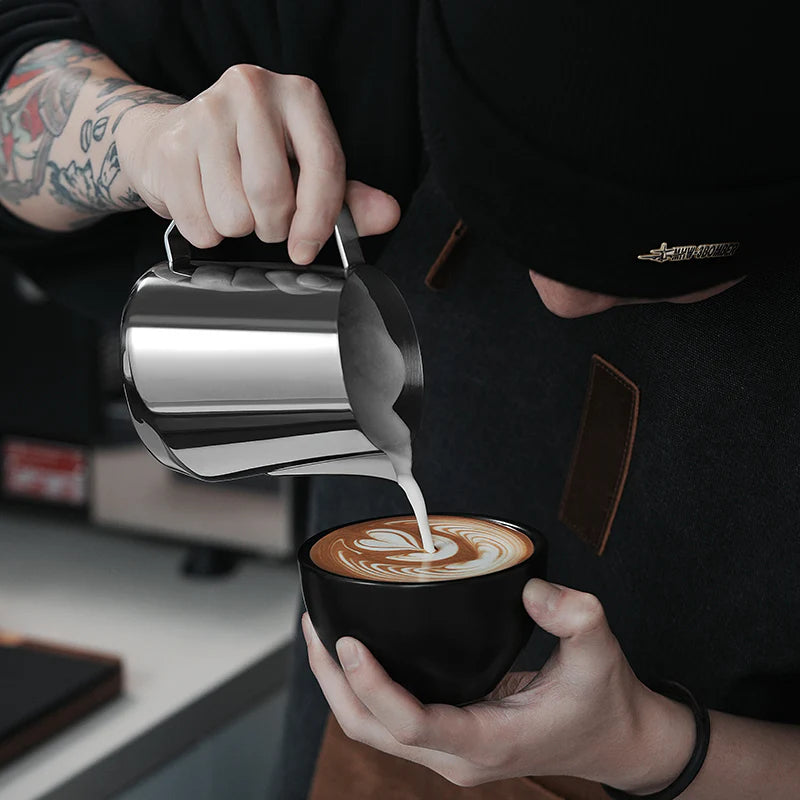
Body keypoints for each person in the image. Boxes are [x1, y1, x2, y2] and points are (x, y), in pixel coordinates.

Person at [1, 3, 799, 799]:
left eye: (655, 269)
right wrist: (141, 139)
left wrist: (650, 746)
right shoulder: (364, 28)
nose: (558, 299)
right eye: (514, 221)